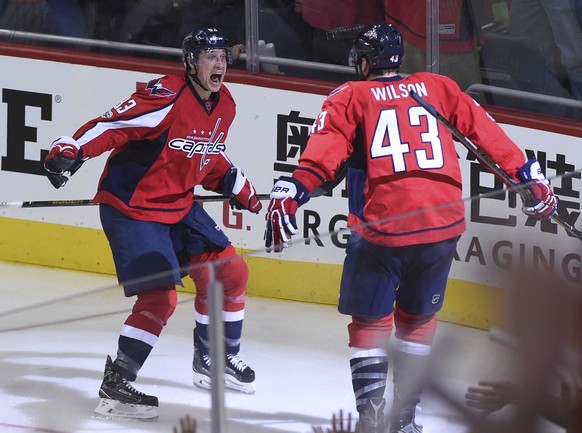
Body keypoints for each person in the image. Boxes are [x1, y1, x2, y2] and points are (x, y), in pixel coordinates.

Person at [264, 23, 557, 433]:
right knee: (417, 322)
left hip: (384, 229)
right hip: (443, 226)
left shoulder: (350, 96)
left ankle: (370, 419)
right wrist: (529, 176)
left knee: (371, 323)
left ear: (366, 62)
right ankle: (405, 420)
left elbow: (324, 153)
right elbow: (485, 132)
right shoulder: (437, 86)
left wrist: (292, 189)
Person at [43, 27, 262, 421]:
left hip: (178, 206)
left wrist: (235, 183)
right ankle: (116, 385)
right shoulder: (165, 95)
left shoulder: (225, 104)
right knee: (160, 299)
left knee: (231, 272)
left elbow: (204, 157)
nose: (219, 64)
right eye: (210, 56)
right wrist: (72, 149)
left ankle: (214, 359)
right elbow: (111, 125)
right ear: (191, 62)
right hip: (133, 208)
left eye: (223, 57)